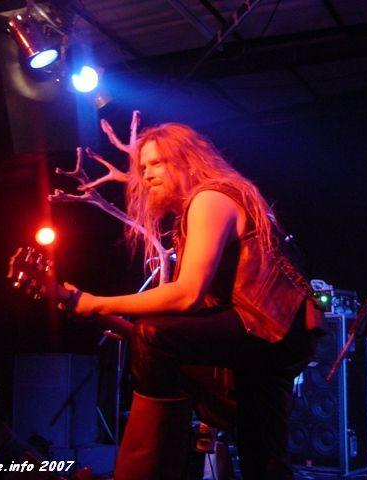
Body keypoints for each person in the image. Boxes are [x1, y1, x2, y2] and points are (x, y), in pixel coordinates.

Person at [68, 123, 323, 479]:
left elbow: (188, 295)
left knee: (155, 334)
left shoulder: (209, 198)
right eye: (143, 167)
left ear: (188, 160)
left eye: (157, 163)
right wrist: (126, 326)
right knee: (263, 460)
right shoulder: (219, 197)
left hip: (264, 326)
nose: (146, 175)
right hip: (280, 331)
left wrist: (97, 303)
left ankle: (145, 470)